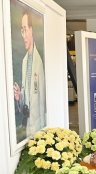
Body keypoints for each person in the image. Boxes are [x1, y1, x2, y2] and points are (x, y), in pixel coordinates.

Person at [13, 9, 46, 138]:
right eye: (22, 30)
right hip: (27, 124)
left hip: (37, 126)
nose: (23, 35)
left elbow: (42, 102)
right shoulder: (24, 61)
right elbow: (26, 95)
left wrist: (44, 131)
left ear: (31, 30)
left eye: (25, 29)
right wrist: (19, 96)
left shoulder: (39, 62)